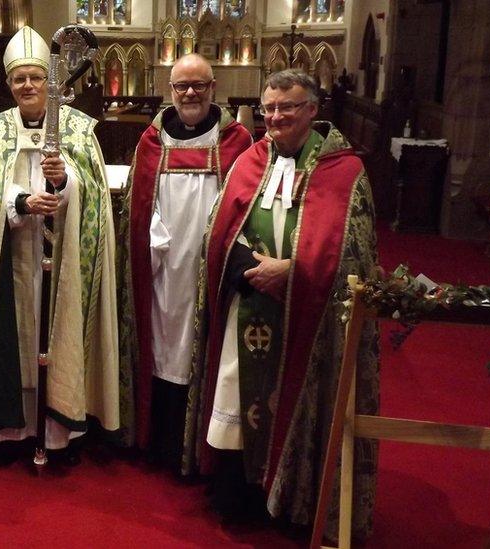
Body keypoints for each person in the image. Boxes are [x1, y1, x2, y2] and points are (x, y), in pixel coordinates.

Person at [199, 69, 379, 537]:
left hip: (309, 320)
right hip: (250, 303)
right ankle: (238, 495)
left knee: (301, 401)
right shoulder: (249, 160)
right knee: (237, 395)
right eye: (269, 108)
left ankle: (295, 501)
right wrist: (249, 269)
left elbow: (354, 257)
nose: (276, 118)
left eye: (288, 107)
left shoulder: (345, 170)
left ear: (313, 110)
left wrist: (293, 272)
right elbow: (217, 234)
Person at [0, 26, 119, 464]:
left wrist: (64, 181)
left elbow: (93, 191)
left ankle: (54, 429)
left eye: (36, 77)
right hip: (12, 255)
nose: (28, 86)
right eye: (20, 79)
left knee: (57, 331)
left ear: (52, 83)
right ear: (9, 84)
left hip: (61, 259)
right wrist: (19, 201)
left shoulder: (77, 128)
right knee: (14, 336)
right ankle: (14, 425)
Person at [120, 53, 252, 472]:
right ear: (170, 90)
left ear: (214, 88)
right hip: (162, 269)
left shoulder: (238, 142)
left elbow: (246, 206)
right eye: (182, 86)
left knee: (206, 345)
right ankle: (159, 442)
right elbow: (138, 205)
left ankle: (201, 449)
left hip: (212, 268)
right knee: (163, 345)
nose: (190, 93)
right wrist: (157, 242)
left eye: (199, 85)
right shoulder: (152, 141)